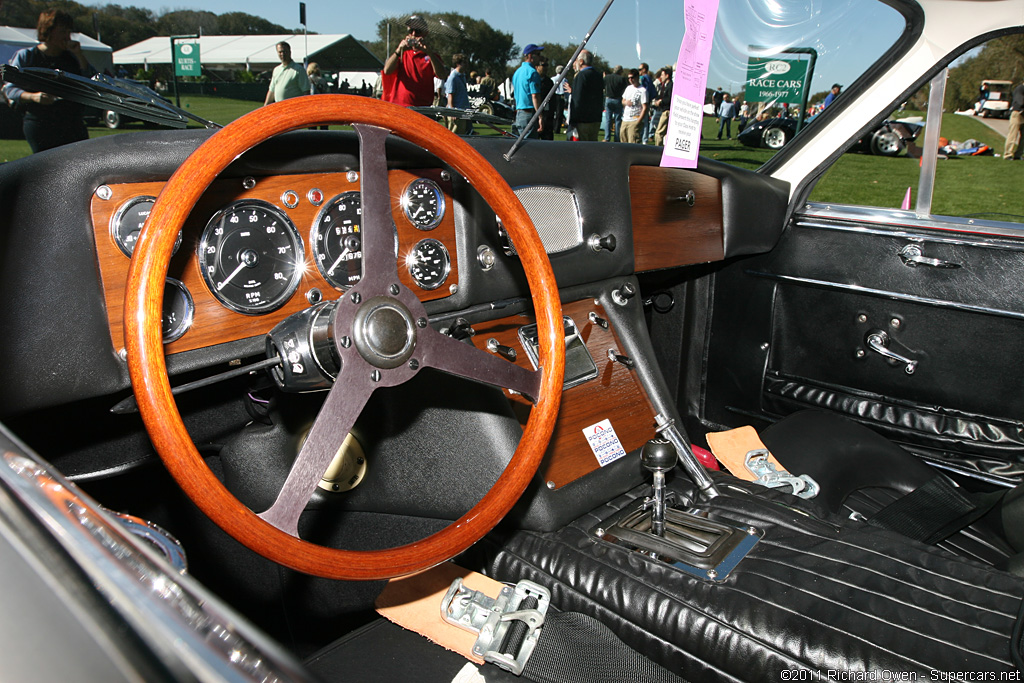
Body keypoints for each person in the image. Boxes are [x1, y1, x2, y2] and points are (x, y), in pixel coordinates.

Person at [3, 9, 95, 153]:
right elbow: (10, 90)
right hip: (41, 125)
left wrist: (79, 55)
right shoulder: (27, 56)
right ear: (48, 31)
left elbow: (91, 83)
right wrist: (34, 97)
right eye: (62, 31)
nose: (67, 36)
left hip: (72, 124)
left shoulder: (73, 58)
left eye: (69, 32)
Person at [381, 15, 445, 107]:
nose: (414, 34)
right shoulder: (402, 53)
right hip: (400, 106)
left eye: (418, 31)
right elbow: (387, 71)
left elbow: (442, 75)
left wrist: (429, 53)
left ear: (425, 33)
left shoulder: (432, 56)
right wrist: (398, 50)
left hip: (422, 109)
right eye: (411, 31)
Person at [566, 49, 604, 141]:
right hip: (595, 118)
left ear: (581, 61)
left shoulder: (581, 75)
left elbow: (577, 99)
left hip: (582, 120)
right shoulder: (598, 75)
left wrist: (573, 120)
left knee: (581, 149)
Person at [512, 43, 545, 139]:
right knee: (530, 148)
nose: (540, 57)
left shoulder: (517, 72)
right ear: (530, 56)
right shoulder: (533, 73)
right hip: (528, 114)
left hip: (519, 114)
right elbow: (535, 96)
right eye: (538, 54)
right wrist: (540, 117)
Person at [445, 53, 471, 135]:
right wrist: (453, 111)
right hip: (456, 112)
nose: (466, 65)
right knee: (454, 136)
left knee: (463, 136)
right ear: (458, 64)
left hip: (463, 110)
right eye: (464, 63)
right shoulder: (453, 77)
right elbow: (450, 95)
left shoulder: (462, 76)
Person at [620, 68, 648, 144]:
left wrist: (638, 121)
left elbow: (645, 107)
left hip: (634, 120)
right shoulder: (628, 88)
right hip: (625, 119)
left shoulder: (643, 90)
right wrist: (626, 102)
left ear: (637, 77)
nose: (630, 80)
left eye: (632, 77)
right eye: (629, 78)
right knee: (623, 141)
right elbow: (623, 101)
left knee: (633, 142)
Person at [603, 66, 627, 141]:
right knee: (617, 120)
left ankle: (607, 137)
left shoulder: (607, 77)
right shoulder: (621, 79)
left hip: (608, 98)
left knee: (608, 120)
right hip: (617, 99)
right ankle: (617, 138)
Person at [1003, 80, 1024, 160]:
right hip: (1017, 113)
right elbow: (1020, 102)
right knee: (1013, 135)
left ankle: (1018, 154)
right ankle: (1008, 154)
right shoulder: (1020, 88)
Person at [653, 66, 673, 146]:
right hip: (665, 110)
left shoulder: (670, 86)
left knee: (659, 132)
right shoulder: (666, 86)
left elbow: (669, 99)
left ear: (667, 75)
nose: (661, 77)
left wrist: (660, 102)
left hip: (667, 111)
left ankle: (657, 149)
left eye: (662, 75)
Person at [536, 57, 555, 140]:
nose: (546, 68)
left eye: (547, 65)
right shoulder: (533, 80)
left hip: (547, 114)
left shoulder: (549, 82)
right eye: (543, 65)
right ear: (537, 66)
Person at [639, 63, 658, 144]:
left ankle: (643, 139)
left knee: (643, 121)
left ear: (644, 69)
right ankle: (644, 139)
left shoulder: (644, 78)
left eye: (640, 69)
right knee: (645, 121)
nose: (639, 71)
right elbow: (654, 92)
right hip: (647, 102)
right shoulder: (649, 79)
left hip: (642, 102)